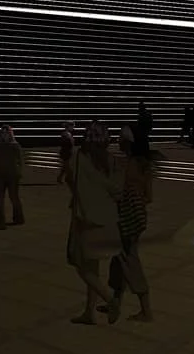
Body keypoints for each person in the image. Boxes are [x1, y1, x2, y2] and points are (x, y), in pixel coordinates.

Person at [66, 121, 122, 326]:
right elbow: (117, 190)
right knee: (94, 267)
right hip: (107, 218)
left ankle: (111, 300)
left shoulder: (79, 159)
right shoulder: (111, 160)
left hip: (86, 219)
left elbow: (72, 183)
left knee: (82, 267)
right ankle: (89, 313)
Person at [107, 127, 154, 322]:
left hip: (126, 220)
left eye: (120, 139)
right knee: (119, 260)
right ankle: (115, 301)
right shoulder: (144, 165)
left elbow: (115, 193)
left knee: (129, 259)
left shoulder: (125, 165)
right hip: (137, 218)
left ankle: (146, 310)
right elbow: (149, 197)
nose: (117, 141)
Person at [0, 125, 24, 230]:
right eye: (2, 133)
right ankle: (0, 222)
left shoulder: (15, 146)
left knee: (14, 197)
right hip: (0, 174)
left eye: (6, 132)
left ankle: (18, 217)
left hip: (12, 175)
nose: (4, 135)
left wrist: (20, 173)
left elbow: (20, 161)